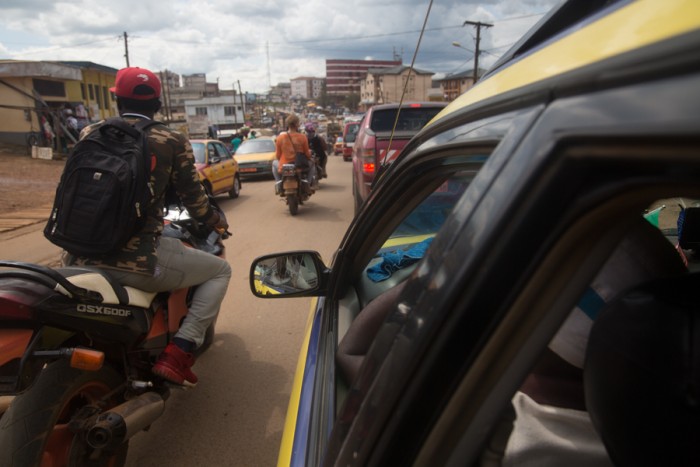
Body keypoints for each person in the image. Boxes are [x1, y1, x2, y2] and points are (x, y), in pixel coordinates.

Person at [64, 67, 231, 386]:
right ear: (157, 102)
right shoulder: (169, 140)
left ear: (116, 99)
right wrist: (216, 221)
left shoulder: (90, 134)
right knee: (220, 270)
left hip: (77, 257)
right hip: (138, 262)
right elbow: (195, 201)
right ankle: (180, 350)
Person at [273, 114, 314, 189]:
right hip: (299, 166)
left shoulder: (280, 138)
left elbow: (278, 156)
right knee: (312, 164)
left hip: (284, 166)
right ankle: (307, 184)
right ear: (297, 124)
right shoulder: (302, 137)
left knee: (274, 163)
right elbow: (306, 153)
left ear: (287, 124)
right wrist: (310, 157)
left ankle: (278, 184)